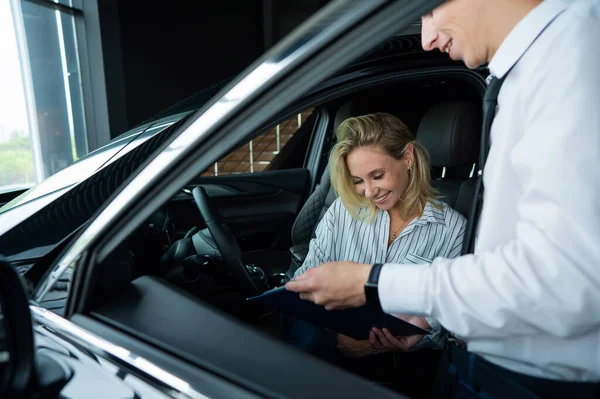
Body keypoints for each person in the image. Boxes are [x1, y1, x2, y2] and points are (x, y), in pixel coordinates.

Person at [286, 0, 600, 398]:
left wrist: (375, 283)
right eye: (358, 180)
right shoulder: (529, 70)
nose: (426, 37)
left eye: (430, 9)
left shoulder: (573, 50)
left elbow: (567, 279)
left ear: (409, 159)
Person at [284, 112, 466, 397]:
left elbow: (448, 322)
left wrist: (376, 344)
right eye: (358, 180)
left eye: (377, 176)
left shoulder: (453, 229)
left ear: (407, 157)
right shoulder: (343, 211)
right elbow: (305, 280)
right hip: (323, 346)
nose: (369, 192)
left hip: (400, 364)